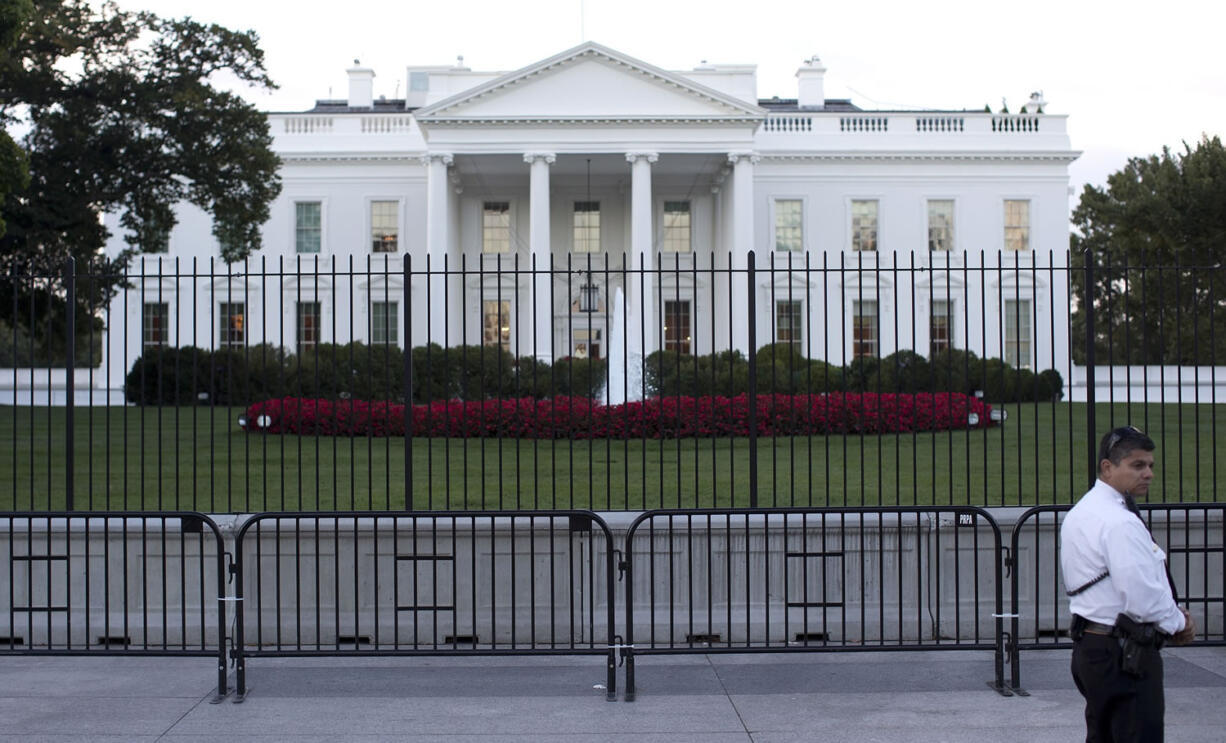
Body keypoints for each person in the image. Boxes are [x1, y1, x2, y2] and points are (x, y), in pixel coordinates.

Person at [1060, 425, 1195, 742]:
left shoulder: (1083, 511)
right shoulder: (1118, 521)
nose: (1147, 473)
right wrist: (1179, 622)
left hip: (1092, 649)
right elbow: (1142, 598)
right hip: (1124, 654)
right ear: (1108, 467)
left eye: (1150, 465)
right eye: (1137, 465)